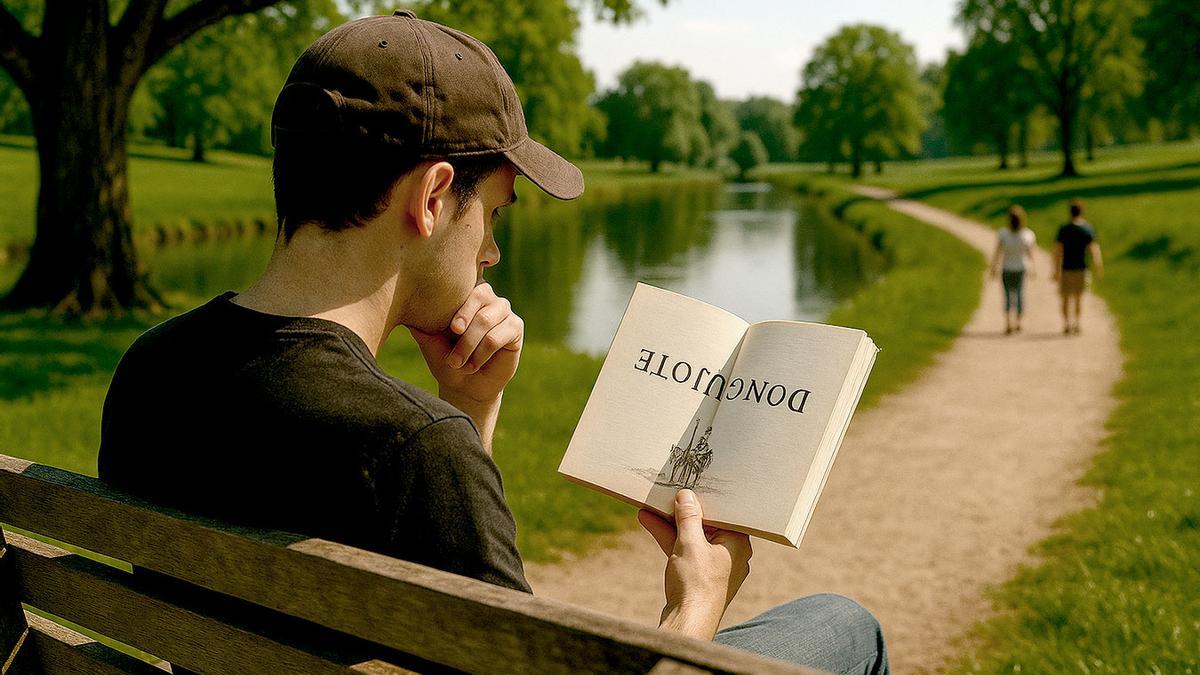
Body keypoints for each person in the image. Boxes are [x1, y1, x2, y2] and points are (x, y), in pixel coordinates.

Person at [96, 11, 886, 673]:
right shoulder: (411, 450)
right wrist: (695, 605)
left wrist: (472, 403)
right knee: (846, 627)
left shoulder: (152, 371)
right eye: (496, 214)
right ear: (435, 197)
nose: (492, 254)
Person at [1053, 199, 1104, 335]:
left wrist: (1055, 270)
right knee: (1078, 298)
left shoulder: (1064, 230)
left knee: (1065, 298)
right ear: (1082, 211)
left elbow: (1058, 251)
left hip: (1066, 268)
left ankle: (1066, 324)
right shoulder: (1087, 229)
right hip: (1082, 268)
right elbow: (1094, 249)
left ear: (1070, 212)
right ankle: (1077, 323)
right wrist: (1098, 265)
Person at [989, 205, 1036, 334]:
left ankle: (1009, 322)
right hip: (1021, 268)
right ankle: (1019, 322)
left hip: (1007, 268)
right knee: (1020, 294)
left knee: (1008, 296)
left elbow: (997, 252)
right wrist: (1033, 268)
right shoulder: (1027, 235)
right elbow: (1030, 254)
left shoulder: (1003, 234)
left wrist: (993, 267)